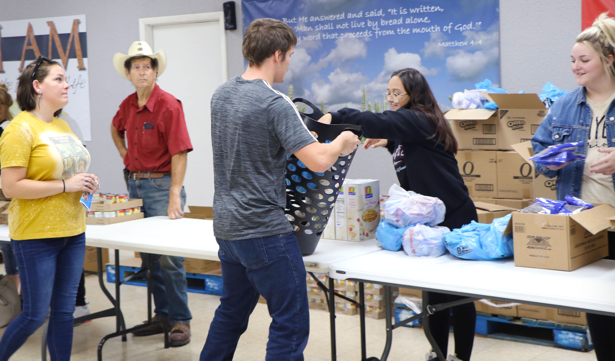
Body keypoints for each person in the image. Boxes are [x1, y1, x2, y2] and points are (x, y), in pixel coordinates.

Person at [201, 18, 360, 361]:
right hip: (264, 231)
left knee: (230, 313)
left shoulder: (222, 94)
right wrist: (342, 143)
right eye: (289, 56)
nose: (289, 63)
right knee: (289, 323)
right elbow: (318, 161)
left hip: (227, 228)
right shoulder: (275, 103)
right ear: (276, 54)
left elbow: (252, 145)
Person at [319, 68, 478, 361]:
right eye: (388, 93)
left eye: (397, 93)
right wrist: (389, 142)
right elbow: (407, 143)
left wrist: (337, 115)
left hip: (455, 217)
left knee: (458, 297)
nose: (391, 99)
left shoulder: (420, 119)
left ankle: (461, 357)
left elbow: (379, 120)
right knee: (434, 294)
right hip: (432, 222)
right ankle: (439, 354)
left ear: (413, 95)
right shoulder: (410, 127)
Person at [0, 56, 99, 360]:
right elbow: (11, 187)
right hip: (36, 235)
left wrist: (87, 181)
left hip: (72, 230)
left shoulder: (63, 125)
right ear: (37, 86)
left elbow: (66, 171)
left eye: (65, 78)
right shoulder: (19, 130)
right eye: (58, 79)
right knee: (33, 314)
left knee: (64, 312)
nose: (66, 84)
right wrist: (67, 185)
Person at [532, 12, 615, 361]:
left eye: (584, 60)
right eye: (572, 60)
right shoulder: (565, 104)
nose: (575, 67)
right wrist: (550, 161)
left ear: (608, 60)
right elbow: (538, 149)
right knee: (598, 306)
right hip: (585, 221)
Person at [111, 41, 193, 347]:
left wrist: (175, 193)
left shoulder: (169, 105)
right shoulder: (127, 105)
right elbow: (115, 127)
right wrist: (123, 152)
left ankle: (181, 320)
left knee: (170, 258)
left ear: (155, 72)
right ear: (129, 74)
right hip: (134, 186)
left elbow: (181, 153)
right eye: (136, 67)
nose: (142, 71)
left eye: (147, 66)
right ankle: (162, 315)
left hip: (162, 186)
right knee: (149, 258)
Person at [0, 83, 19, 294]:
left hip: (8, 193)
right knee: (5, 245)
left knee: (11, 243)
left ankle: (19, 295)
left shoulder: (8, 130)